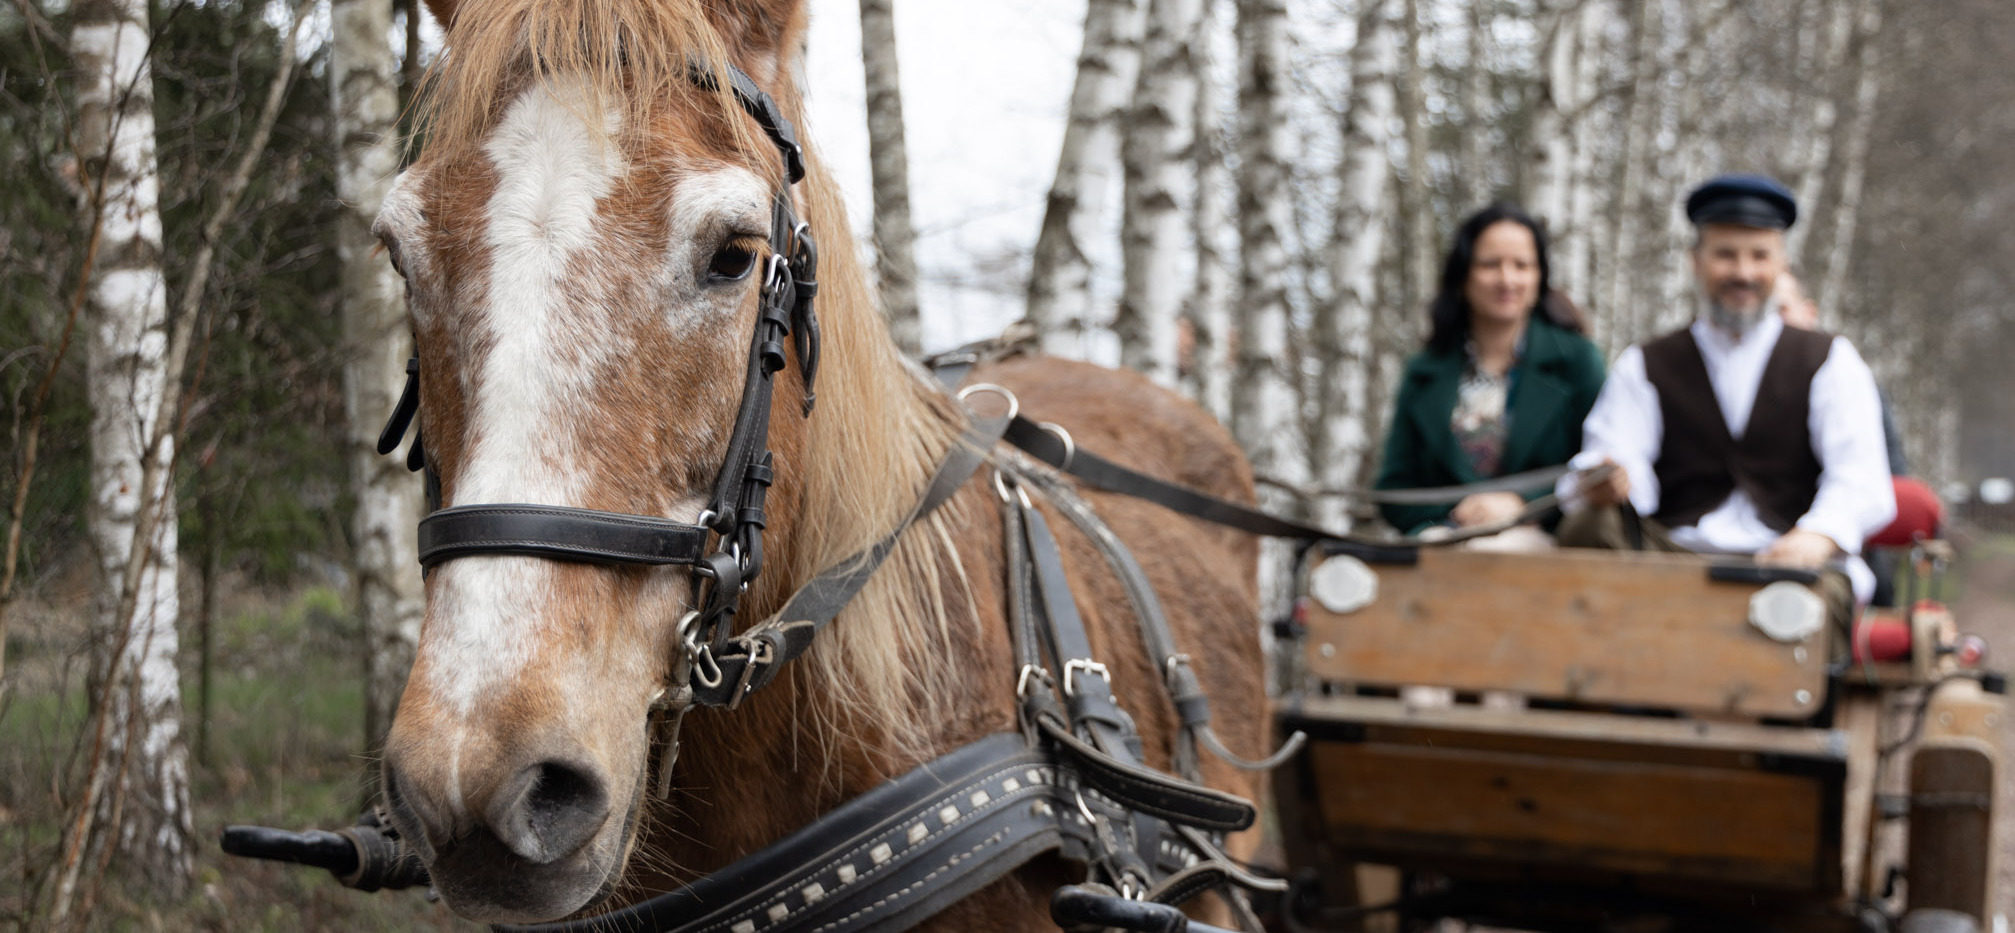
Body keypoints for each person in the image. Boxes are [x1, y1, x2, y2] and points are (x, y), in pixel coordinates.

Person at [1561, 174, 1895, 611]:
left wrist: (1817, 535)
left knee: (1801, 612)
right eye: (1726, 255)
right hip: (1672, 562)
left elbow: (1861, 478)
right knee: (1591, 525)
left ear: (1782, 265)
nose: (1743, 273)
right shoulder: (1644, 363)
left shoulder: (1831, 360)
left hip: (1790, 567)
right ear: (1695, 262)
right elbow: (1617, 458)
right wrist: (1611, 480)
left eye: (1759, 256)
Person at [1374, 203, 1607, 536]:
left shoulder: (1577, 360)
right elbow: (1393, 490)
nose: (1507, 279)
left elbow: (1600, 473)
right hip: (1441, 540)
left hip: (1549, 548)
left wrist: (1521, 504)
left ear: (1539, 277)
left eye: (1522, 265)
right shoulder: (1424, 369)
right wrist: (1458, 511)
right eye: (1490, 264)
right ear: (1463, 275)